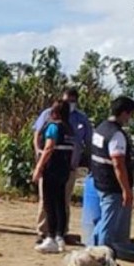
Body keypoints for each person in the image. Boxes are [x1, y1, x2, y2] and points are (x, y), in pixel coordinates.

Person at [33, 88, 92, 241]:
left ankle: (59, 233)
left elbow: (86, 143)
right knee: (47, 201)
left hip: (67, 167)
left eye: (73, 101)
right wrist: (38, 156)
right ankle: (44, 231)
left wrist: (39, 166)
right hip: (52, 165)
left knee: (61, 201)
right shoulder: (48, 116)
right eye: (67, 101)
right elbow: (37, 136)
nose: (69, 104)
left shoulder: (79, 120)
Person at [89, 96, 134, 249]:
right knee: (108, 225)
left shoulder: (101, 128)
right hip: (112, 186)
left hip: (99, 181)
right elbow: (118, 164)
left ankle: (93, 252)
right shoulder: (116, 135)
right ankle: (103, 259)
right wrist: (126, 190)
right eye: (131, 114)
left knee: (103, 220)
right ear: (124, 113)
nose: (131, 118)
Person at [31, 100, 75, 254]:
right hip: (64, 170)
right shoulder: (69, 129)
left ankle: (50, 237)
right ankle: (59, 236)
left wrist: (39, 167)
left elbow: (49, 148)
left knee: (49, 204)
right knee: (60, 203)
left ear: (54, 113)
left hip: (52, 169)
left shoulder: (53, 127)